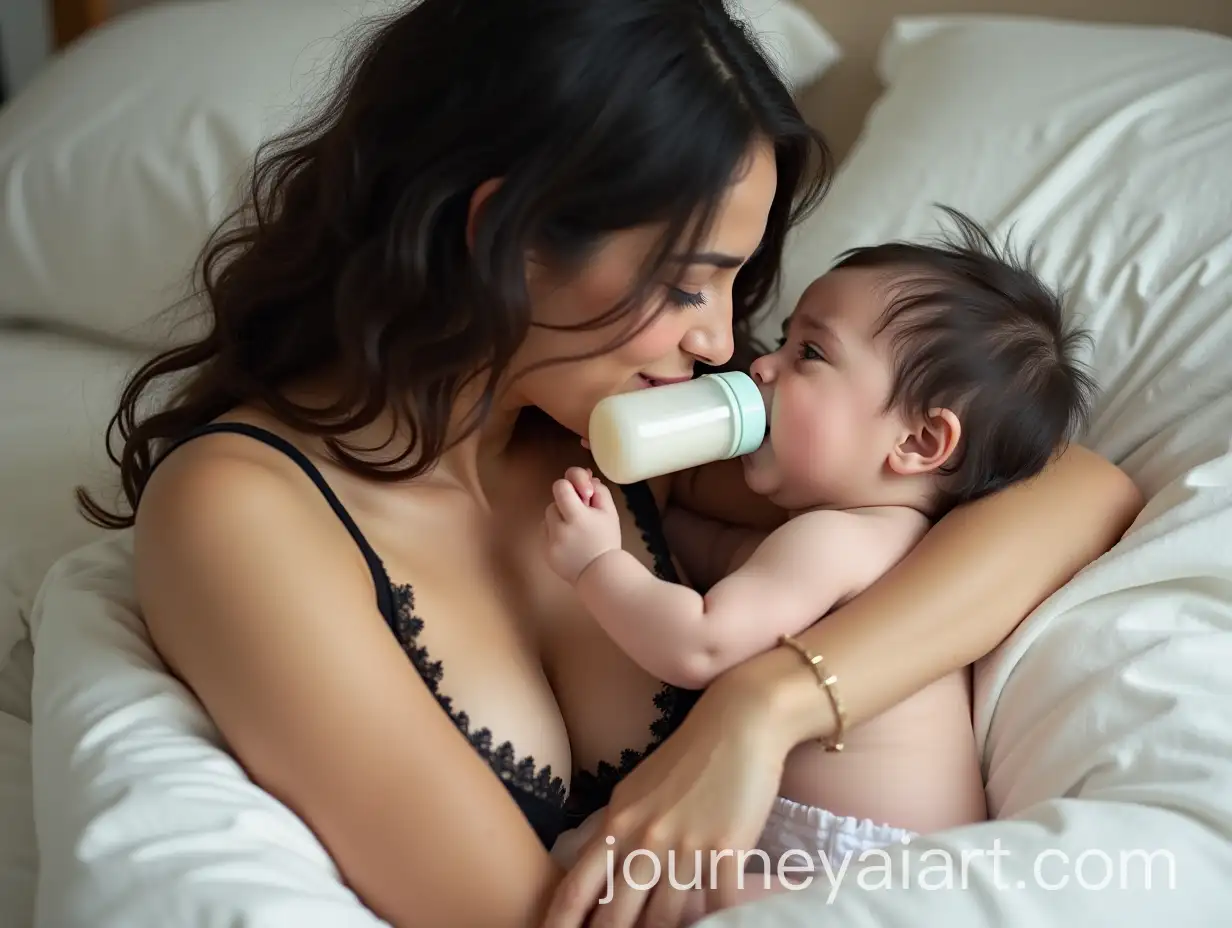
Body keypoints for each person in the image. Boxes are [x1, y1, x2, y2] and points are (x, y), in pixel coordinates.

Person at [74, 2, 1143, 927]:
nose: (722, 345)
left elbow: (1071, 486)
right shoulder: (241, 513)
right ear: (507, 230)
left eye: (733, 288)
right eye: (686, 284)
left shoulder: (617, 432)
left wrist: (763, 708)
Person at [542, 207, 1097, 910]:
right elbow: (723, 554)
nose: (762, 365)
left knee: (598, 872)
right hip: (886, 853)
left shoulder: (833, 540)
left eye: (811, 354)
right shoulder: (887, 541)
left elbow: (703, 640)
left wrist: (597, 563)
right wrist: (647, 483)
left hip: (843, 858)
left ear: (921, 443)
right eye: (782, 339)